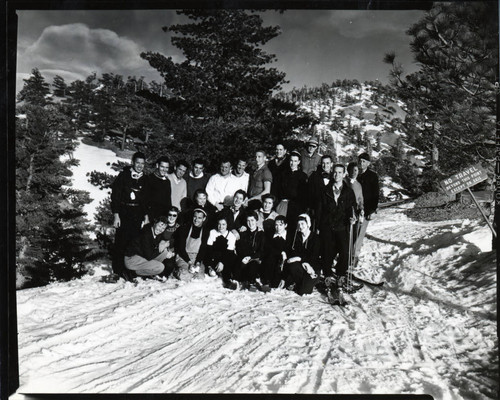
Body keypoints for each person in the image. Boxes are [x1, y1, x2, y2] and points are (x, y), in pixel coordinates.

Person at [316, 164, 357, 280]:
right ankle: (327, 273)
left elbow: (352, 208)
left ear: (344, 174)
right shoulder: (324, 191)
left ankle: (340, 273)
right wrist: (319, 226)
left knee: (345, 251)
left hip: (342, 226)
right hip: (327, 225)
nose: (337, 175)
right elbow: (319, 210)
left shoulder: (348, 192)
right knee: (327, 251)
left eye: (340, 172)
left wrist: (353, 217)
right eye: (335, 172)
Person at [110, 151, 148, 277]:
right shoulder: (124, 175)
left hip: (137, 215)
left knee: (133, 243)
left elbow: (145, 201)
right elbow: (115, 196)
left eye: (142, 164)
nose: (140, 166)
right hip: (124, 213)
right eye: (137, 163)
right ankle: (118, 270)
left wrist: (145, 216)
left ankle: (129, 270)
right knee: (121, 242)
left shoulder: (145, 178)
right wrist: (116, 214)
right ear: (133, 162)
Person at [280, 214, 321, 295]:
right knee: (292, 265)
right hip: (301, 267)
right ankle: (298, 282)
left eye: (302, 224)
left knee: (303, 292)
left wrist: (299, 259)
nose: (300, 226)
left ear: (308, 224)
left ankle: (312, 282)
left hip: (312, 267)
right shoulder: (296, 237)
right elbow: (292, 253)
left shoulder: (315, 238)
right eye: (299, 224)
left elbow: (314, 256)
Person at [355, 152, 379, 267]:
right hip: (354, 208)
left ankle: (355, 255)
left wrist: (371, 210)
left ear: (368, 163)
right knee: (351, 232)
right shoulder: (355, 174)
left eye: (364, 161)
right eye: (360, 161)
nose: (361, 163)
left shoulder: (372, 176)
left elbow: (375, 195)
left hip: (366, 209)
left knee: (360, 233)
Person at [274, 150, 307, 231]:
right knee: (280, 227)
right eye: (291, 161)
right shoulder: (283, 174)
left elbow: (303, 194)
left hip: (295, 206)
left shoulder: (302, 176)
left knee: (292, 228)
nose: (292, 163)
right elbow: (277, 190)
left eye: (295, 161)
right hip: (283, 204)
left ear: (299, 162)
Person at [174, 208, 210, 281]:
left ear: (204, 219)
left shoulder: (205, 231)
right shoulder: (185, 228)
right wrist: (189, 262)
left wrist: (198, 263)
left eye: (199, 218)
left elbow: (203, 248)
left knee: (200, 277)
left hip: (196, 257)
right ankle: (176, 270)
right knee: (184, 276)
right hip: (184, 257)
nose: (196, 220)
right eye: (195, 217)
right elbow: (181, 248)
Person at [234, 211, 267, 291]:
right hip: (244, 258)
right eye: (248, 221)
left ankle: (253, 282)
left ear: (256, 221)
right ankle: (239, 282)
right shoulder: (244, 233)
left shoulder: (261, 234)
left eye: (252, 220)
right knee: (238, 263)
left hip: (255, 259)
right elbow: (239, 248)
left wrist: (251, 257)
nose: (250, 223)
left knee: (253, 265)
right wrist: (244, 257)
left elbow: (262, 251)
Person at [261, 215, 292, 288]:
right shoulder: (270, 235)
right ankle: (267, 281)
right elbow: (268, 249)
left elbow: (290, 251)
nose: (278, 227)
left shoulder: (290, 237)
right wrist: (281, 253)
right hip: (272, 261)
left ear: (285, 225)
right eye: (276, 225)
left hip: (284, 263)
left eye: (281, 225)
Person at [204, 215, 238, 281]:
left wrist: (222, 263)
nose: (221, 226)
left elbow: (229, 252)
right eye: (219, 224)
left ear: (227, 225)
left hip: (227, 256)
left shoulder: (231, 236)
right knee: (211, 271)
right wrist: (209, 265)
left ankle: (228, 281)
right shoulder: (212, 232)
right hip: (215, 256)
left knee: (228, 269)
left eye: (223, 224)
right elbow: (209, 249)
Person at [307, 154, 334, 229]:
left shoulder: (334, 176)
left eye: (328, 163)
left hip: (330, 211)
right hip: (317, 210)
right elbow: (309, 193)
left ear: (331, 164)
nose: (325, 165)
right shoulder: (314, 176)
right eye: (323, 163)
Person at [144, 156, 172, 221]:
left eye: (166, 167)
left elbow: (168, 201)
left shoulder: (167, 182)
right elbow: (144, 200)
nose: (164, 170)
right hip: (150, 216)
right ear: (157, 165)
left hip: (162, 217)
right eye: (162, 167)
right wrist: (146, 215)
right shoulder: (149, 179)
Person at [160, 206, 181, 276]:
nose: (172, 217)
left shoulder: (179, 228)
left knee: (169, 265)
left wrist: (173, 252)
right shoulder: (162, 226)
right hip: (163, 250)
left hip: (174, 252)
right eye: (170, 215)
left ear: (177, 216)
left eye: (174, 215)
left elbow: (181, 243)